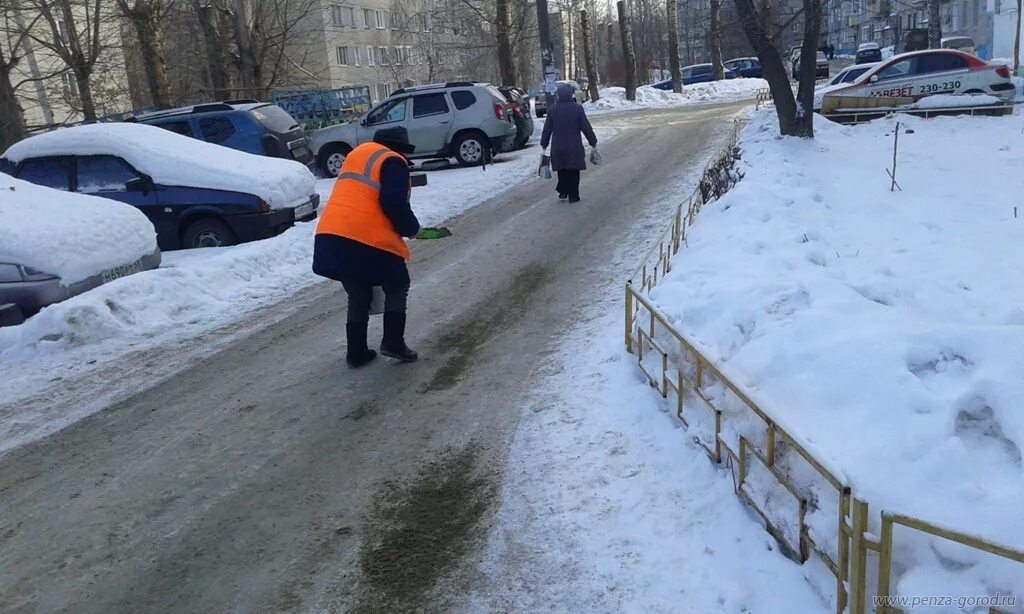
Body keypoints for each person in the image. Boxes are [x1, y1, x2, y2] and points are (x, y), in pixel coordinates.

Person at [312, 128, 421, 368]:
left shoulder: (358, 155)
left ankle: (357, 352)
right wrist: (412, 229)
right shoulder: (392, 160)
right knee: (397, 283)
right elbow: (393, 203)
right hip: (364, 236)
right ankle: (393, 343)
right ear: (401, 149)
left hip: (331, 234)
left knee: (359, 292)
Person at [541, 82, 598, 203]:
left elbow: (547, 129)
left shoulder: (552, 110)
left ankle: (563, 191)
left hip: (558, 145)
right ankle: (573, 195)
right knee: (573, 170)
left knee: (562, 169)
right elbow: (585, 127)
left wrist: (544, 144)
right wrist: (592, 141)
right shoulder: (577, 109)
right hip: (574, 145)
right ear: (571, 95)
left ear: (559, 95)